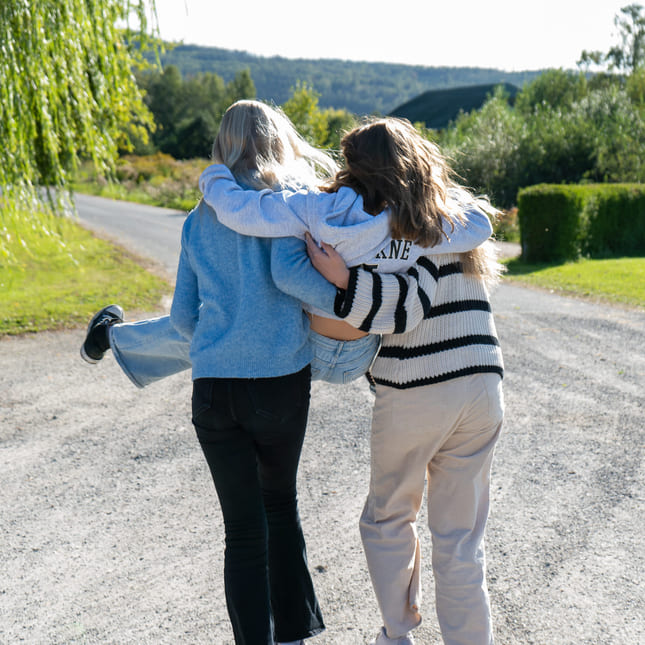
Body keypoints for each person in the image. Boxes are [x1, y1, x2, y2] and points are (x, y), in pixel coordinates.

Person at [199, 117, 504, 645]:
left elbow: (403, 310)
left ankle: (398, 636)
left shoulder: (393, 223)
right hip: (483, 387)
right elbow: (482, 220)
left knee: (388, 521)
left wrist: (344, 281)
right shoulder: (447, 215)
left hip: (417, 386)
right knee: (460, 541)